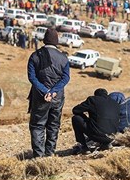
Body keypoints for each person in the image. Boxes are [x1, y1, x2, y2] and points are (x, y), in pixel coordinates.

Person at [27, 28, 70, 158]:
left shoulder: (35, 56)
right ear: (56, 41)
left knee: (37, 125)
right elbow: (66, 78)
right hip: (57, 98)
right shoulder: (63, 57)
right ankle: (50, 154)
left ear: (44, 40)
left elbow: (32, 77)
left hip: (40, 97)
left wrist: (45, 91)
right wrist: (54, 91)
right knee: (53, 125)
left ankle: (38, 157)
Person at [72, 88, 120, 154]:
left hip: (97, 135)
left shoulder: (93, 100)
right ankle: (105, 144)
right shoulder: (115, 103)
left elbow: (75, 110)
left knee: (76, 118)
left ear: (95, 95)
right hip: (112, 137)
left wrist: (84, 117)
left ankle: (84, 147)